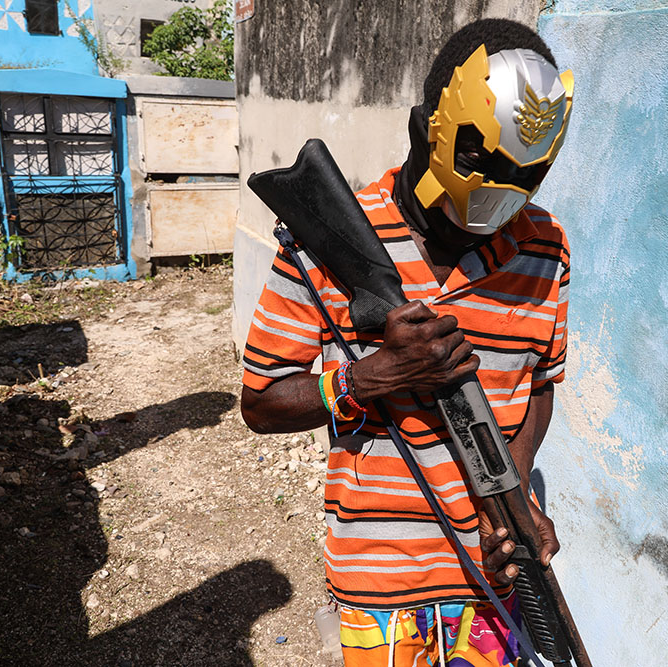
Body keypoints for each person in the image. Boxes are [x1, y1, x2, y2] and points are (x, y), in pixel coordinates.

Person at [241, 18, 573, 667]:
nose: (481, 230)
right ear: (428, 131)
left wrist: (511, 494)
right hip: (380, 588)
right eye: (473, 182)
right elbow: (260, 402)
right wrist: (373, 376)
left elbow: (538, 382)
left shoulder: (545, 247)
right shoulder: (327, 242)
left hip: (493, 588)